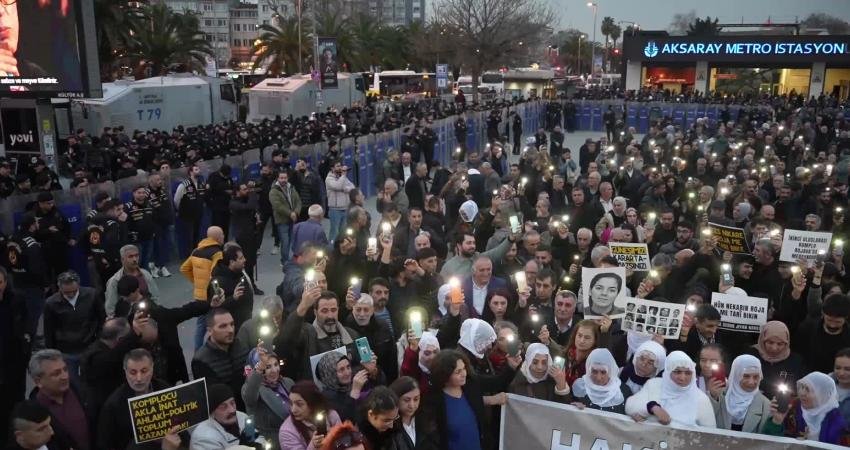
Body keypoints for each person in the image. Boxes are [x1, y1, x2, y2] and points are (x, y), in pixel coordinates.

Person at [96, 349, 175, 450]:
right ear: (125, 371)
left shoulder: (165, 389)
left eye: (144, 371)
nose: (139, 378)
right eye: (133, 372)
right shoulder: (113, 406)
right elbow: (104, 444)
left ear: (152, 368)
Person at [276, 289, 361, 380]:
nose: (330, 316)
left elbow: (360, 365)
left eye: (333, 310)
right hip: (313, 391)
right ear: (315, 312)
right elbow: (283, 346)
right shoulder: (306, 334)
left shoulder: (351, 335)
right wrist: (302, 307)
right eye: (324, 311)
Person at [625, 350, 716, 428]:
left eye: (688, 373)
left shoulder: (701, 399)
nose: (682, 378)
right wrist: (653, 407)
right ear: (668, 372)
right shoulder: (655, 384)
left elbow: (710, 434)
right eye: (677, 372)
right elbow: (630, 406)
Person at [42, 271, 104, 382]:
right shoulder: (51, 303)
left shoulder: (92, 295)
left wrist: (98, 341)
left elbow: (101, 319)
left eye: (74, 291)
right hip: (66, 350)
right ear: (59, 288)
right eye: (67, 292)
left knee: (93, 381)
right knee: (72, 383)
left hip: (90, 347)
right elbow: (48, 330)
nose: (71, 295)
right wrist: (51, 355)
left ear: (78, 286)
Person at [28, 350, 95, 450]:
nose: (65, 376)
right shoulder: (33, 413)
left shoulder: (77, 390)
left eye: (65, 369)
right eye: (56, 374)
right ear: (38, 381)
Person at [423, 350, 486, 450]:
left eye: (464, 368)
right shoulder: (435, 401)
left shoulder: (470, 389)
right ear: (445, 375)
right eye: (458, 372)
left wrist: (511, 367)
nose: (464, 374)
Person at [763, 372, 850, 445]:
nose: (802, 393)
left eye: (808, 389)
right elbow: (766, 443)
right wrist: (777, 421)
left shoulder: (836, 421)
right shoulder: (791, 409)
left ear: (822, 395)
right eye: (802, 387)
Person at [191, 308, 245, 409]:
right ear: (210, 331)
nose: (230, 330)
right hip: (227, 413)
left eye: (232, 324)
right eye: (223, 326)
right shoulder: (201, 361)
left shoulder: (241, 346)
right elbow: (211, 398)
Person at [180, 226, 224, 349]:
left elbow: (184, 268)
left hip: (199, 295)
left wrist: (196, 282)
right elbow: (215, 275)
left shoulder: (196, 251)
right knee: (216, 323)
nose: (224, 237)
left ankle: (197, 351)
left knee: (201, 325)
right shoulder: (217, 253)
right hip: (211, 296)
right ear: (217, 237)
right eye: (222, 235)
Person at [241, 348, 294, 449]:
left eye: (276, 364)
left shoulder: (287, 382)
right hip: (272, 444)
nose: (274, 370)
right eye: (268, 367)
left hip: (295, 438)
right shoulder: (251, 388)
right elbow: (249, 398)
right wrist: (260, 367)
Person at [190, 383, 266, 449]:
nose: (232, 410)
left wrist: (258, 445)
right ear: (212, 412)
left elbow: (258, 438)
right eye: (223, 407)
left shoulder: (242, 417)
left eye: (232, 403)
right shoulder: (203, 438)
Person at [709, 354, 772, 433]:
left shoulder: (765, 405)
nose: (751, 382)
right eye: (746, 376)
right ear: (736, 375)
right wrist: (713, 397)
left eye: (756, 377)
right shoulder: (717, 396)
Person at [315, 352, 380, 422]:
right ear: (330, 374)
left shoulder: (355, 378)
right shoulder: (326, 397)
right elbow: (346, 420)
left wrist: (373, 372)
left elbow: (379, 390)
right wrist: (355, 392)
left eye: (348, 367)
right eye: (341, 370)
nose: (347, 373)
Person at [278, 381, 343, 450]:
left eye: (299, 404)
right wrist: (313, 446)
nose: (293, 410)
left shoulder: (331, 416)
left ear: (313, 403)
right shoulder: (287, 432)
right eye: (291, 403)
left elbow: (345, 443)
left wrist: (334, 438)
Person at [105, 244, 160, 318]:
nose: (135, 259)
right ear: (122, 259)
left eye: (136, 255)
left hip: (149, 316)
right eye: (130, 256)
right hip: (127, 320)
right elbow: (110, 308)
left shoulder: (145, 274)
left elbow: (155, 297)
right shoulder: (115, 281)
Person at [570, 348, 631, 413]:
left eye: (603, 372)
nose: (598, 378)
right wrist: (573, 407)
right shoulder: (580, 387)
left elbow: (630, 414)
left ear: (610, 371)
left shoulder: (624, 391)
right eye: (594, 371)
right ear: (589, 370)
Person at [389, 376, 436, 450]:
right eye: (406, 400)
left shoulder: (426, 419)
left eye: (416, 399)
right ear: (396, 398)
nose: (412, 405)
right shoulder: (390, 424)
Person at [270, 170, 303, 264]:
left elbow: (298, 201)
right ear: (278, 178)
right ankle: (284, 261)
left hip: (293, 219)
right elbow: (278, 206)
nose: (283, 180)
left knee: (293, 240)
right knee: (285, 242)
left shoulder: (291, 187)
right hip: (282, 220)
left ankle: (292, 259)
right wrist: (290, 214)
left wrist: (296, 213)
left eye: (285, 178)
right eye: (281, 178)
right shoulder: (273, 191)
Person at [400, 331, 439, 397]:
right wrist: (412, 351)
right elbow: (407, 374)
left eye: (435, 352)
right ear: (420, 354)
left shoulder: (441, 368)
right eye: (427, 353)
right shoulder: (415, 370)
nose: (432, 357)